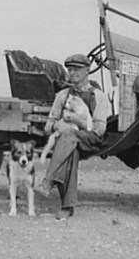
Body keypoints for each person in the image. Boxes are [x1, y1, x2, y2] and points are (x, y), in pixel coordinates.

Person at [36, 53, 109, 220]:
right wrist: (56, 125)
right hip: (67, 140)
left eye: (77, 69)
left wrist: (79, 122)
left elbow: (99, 129)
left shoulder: (98, 96)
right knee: (70, 150)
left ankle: (48, 181)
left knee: (69, 136)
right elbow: (49, 125)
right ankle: (67, 207)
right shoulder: (62, 95)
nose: (72, 72)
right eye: (70, 69)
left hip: (90, 139)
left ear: (87, 71)